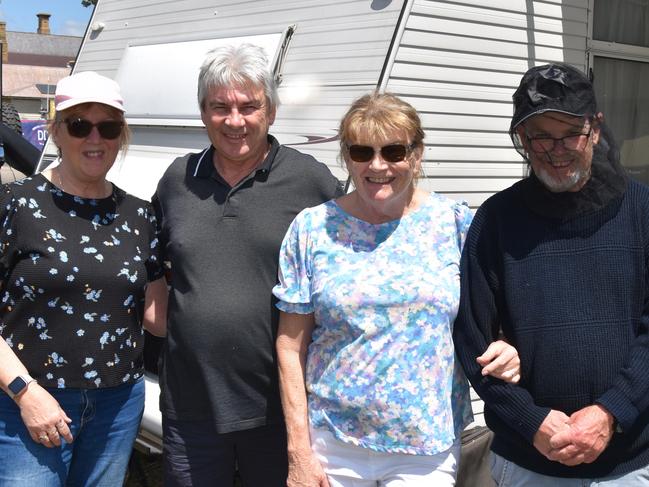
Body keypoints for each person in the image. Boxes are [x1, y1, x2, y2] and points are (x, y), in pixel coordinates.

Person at [273, 92, 521, 487]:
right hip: (333, 443)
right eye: (361, 152)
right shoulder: (311, 229)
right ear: (347, 157)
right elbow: (290, 346)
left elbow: (502, 304)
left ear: (417, 154)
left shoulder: (454, 224)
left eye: (393, 151)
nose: (377, 165)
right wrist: (298, 451)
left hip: (426, 447)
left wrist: (508, 341)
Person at [152, 43, 342, 486]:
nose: (234, 121)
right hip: (189, 404)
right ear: (203, 113)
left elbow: (360, 248)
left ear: (271, 112)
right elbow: (148, 258)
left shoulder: (309, 180)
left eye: (248, 107)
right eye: (220, 107)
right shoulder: (177, 180)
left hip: (279, 407)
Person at [453, 62, 649, 486]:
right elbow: (473, 339)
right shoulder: (496, 220)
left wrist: (610, 411)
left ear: (595, 129)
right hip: (528, 461)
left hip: (631, 464)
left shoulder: (642, 211)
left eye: (569, 134)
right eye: (540, 136)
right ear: (523, 138)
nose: (555, 150)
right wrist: (531, 421)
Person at [0, 71, 167, 486]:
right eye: (79, 125)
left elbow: (156, 314)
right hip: (29, 401)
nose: (95, 139)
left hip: (118, 405)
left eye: (108, 127)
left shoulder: (140, 215)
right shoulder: (16, 204)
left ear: (121, 135)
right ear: (57, 131)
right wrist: (25, 392)